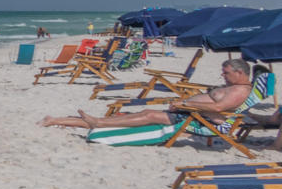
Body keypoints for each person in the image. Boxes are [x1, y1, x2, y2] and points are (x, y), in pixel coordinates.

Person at [39, 58, 254, 132]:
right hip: (188, 114)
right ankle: (56, 120)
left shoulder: (239, 90)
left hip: (197, 120)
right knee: (141, 114)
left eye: (226, 73)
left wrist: (186, 105)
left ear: (239, 72)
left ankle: (99, 124)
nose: (222, 75)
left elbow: (218, 109)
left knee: (148, 115)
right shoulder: (233, 87)